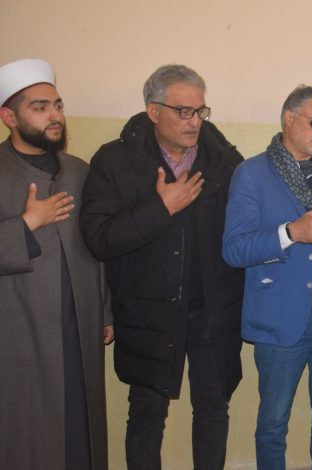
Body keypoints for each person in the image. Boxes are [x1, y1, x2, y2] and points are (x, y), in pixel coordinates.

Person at [80, 64, 244, 470]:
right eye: (183, 111)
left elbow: (241, 233)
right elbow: (98, 238)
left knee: (213, 408)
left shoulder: (223, 161)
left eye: (200, 110)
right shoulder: (115, 161)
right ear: (153, 111)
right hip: (147, 311)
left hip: (211, 310)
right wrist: (161, 208)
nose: (195, 122)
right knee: (146, 413)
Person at [222, 84, 312, 470]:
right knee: (273, 424)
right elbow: (234, 249)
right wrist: (291, 233)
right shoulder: (251, 173)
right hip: (281, 317)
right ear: (289, 118)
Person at [0, 57, 110, 470]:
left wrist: (106, 311)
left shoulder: (80, 171)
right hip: (18, 333)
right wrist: (28, 223)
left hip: (79, 326)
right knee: (27, 435)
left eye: (58, 105)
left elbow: (98, 245)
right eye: (40, 107)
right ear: (9, 117)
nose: (55, 116)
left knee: (81, 431)